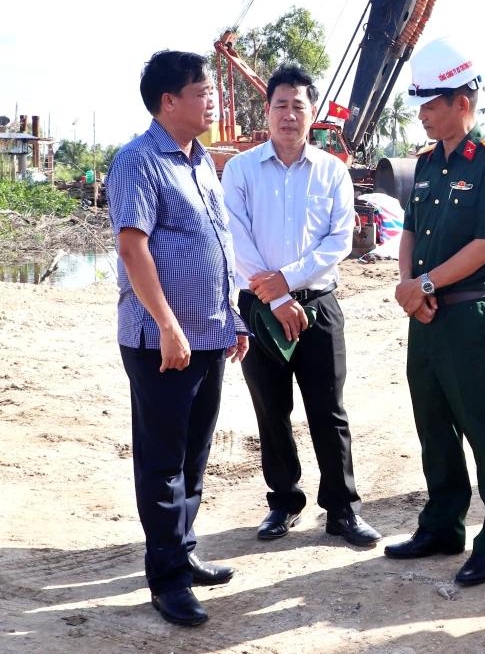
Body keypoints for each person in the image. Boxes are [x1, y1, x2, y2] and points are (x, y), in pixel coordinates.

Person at [107, 50, 249, 627]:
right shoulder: (139, 161)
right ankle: (166, 580)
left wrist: (233, 316)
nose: (213, 99)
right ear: (169, 101)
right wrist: (166, 324)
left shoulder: (201, 162)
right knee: (163, 461)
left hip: (209, 333)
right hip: (160, 339)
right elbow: (132, 246)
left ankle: (184, 555)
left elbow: (218, 243)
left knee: (193, 455)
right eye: (203, 90)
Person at [222, 64, 381, 547]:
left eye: (298, 105)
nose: (289, 115)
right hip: (259, 309)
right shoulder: (241, 169)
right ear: (266, 111)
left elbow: (338, 242)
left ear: (312, 113)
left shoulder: (333, 171)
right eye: (280, 105)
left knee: (328, 411)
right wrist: (275, 297)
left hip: (319, 308)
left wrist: (287, 287)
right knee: (271, 410)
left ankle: (342, 510)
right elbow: (236, 239)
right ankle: (283, 503)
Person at [385, 37, 485, 587]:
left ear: (461, 102)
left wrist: (423, 282)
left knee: (483, 427)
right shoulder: (424, 165)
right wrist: (407, 286)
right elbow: (411, 229)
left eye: (431, 104)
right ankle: (442, 524)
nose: (421, 114)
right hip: (427, 315)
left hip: (469, 315)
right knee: (433, 423)